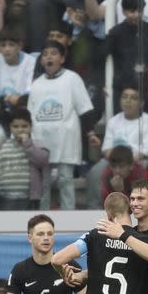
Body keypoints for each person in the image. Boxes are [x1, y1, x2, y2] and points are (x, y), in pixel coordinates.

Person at [27, 40, 94, 210]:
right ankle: (42, 219)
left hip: (65, 139)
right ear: (41, 60)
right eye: (45, 54)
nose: (49, 57)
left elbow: (84, 108)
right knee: (44, 183)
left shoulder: (72, 79)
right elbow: (29, 114)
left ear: (62, 58)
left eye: (54, 53)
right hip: (41, 141)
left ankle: (68, 217)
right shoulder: (36, 84)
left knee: (65, 180)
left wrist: (91, 133)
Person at [0, 107, 49, 210]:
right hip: (3, 196)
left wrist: (27, 144)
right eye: (15, 126)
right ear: (10, 127)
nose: (20, 130)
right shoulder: (2, 144)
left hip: (27, 198)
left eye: (24, 126)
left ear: (31, 127)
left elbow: (43, 161)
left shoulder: (36, 144)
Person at [0, 27, 35, 110]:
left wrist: (18, 100)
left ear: (20, 46)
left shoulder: (31, 61)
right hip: (0, 107)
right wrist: (5, 99)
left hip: (23, 107)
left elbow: (31, 92)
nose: (7, 49)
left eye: (11, 45)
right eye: (3, 45)